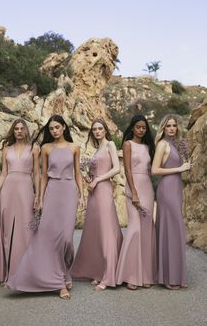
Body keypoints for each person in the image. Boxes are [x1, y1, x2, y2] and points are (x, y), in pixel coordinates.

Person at [7, 115, 84, 300]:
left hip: (69, 192)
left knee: (66, 238)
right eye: (51, 129)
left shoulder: (74, 147)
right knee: (49, 237)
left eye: (57, 127)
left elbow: (78, 172)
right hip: (52, 193)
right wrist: (40, 198)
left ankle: (66, 271)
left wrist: (82, 195)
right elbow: (43, 176)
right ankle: (59, 282)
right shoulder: (45, 148)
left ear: (64, 127)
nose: (54, 131)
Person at [71, 118, 123, 291]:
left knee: (107, 230)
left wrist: (98, 179)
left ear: (105, 130)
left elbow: (117, 168)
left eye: (100, 128)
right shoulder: (97, 149)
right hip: (94, 192)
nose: (97, 132)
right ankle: (99, 271)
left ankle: (109, 276)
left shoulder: (110, 145)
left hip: (103, 191)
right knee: (95, 231)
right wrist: (89, 178)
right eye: (94, 129)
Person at [0, 118, 40, 285]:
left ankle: (24, 273)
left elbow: (37, 174)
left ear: (26, 130)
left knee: (26, 231)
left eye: (21, 128)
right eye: (16, 128)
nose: (19, 131)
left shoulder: (34, 148)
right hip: (8, 190)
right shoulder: (6, 149)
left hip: (26, 189)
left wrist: (38, 195)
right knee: (7, 233)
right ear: (13, 131)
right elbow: (3, 173)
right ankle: (7, 274)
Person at [116, 114, 156, 290]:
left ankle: (146, 275)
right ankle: (130, 275)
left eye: (144, 127)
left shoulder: (148, 147)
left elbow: (151, 170)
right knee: (135, 229)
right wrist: (133, 192)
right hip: (134, 188)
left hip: (147, 188)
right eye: (138, 127)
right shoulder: (127, 144)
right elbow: (127, 171)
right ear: (132, 128)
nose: (141, 129)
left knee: (147, 231)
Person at [151, 114, 191, 290]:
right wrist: (179, 168)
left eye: (174, 125)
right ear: (163, 128)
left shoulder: (178, 144)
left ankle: (174, 275)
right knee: (170, 230)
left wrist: (186, 163)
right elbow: (154, 170)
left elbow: (184, 166)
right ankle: (168, 277)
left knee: (176, 231)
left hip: (177, 189)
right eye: (168, 126)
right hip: (167, 190)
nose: (172, 128)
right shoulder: (162, 144)